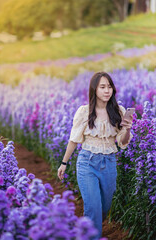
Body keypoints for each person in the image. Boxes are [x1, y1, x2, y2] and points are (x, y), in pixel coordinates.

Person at [57, 71, 133, 239]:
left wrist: (127, 128)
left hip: (109, 163)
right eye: (102, 87)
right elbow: (74, 140)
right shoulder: (84, 112)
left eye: (110, 87)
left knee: (104, 208)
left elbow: (122, 142)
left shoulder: (118, 111)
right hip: (87, 163)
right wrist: (64, 163)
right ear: (94, 90)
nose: (107, 90)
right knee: (93, 209)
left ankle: (87, 230)